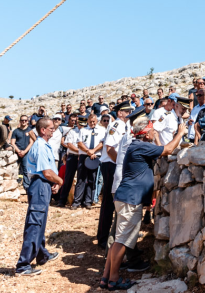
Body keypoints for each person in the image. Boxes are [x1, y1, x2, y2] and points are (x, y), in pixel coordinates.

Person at [100, 119, 188, 290]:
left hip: (125, 197)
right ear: (146, 133)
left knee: (119, 240)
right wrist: (181, 132)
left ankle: (106, 277)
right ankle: (113, 279)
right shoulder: (140, 146)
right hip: (130, 200)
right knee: (123, 241)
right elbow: (169, 149)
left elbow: (160, 147)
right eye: (152, 130)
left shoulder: (136, 145)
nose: (155, 132)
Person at [15, 117, 63, 276]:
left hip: (43, 185)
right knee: (35, 223)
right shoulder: (41, 146)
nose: (53, 130)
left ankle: (42, 255)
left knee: (40, 222)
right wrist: (60, 180)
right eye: (50, 128)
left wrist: (53, 181)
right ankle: (23, 265)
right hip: (40, 185)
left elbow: (49, 172)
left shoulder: (43, 145)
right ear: (43, 130)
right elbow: (46, 172)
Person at [96, 103, 133, 249]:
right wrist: (120, 164)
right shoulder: (116, 125)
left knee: (116, 201)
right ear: (120, 113)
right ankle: (103, 238)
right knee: (108, 203)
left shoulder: (124, 125)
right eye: (127, 111)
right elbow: (110, 148)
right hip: (111, 165)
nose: (129, 112)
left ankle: (114, 235)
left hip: (115, 164)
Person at [73, 114, 105, 209]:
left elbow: (102, 142)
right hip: (84, 156)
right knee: (81, 179)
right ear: (87, 121)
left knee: (92, 179)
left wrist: (93, 151)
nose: (92, 123)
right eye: (90, 122)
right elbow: (79, 143)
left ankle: (88, 201)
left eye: (94, 122)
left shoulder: (102, 130)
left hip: (95, 156)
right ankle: (77, 201)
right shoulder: (83, 130)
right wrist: (88, 151)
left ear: (97, 121)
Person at [57, 113, 84, 206]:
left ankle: (77, 201)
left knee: (81, 179)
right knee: (68, 178)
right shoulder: (72, 131)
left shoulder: (87, 131)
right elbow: (69, 144)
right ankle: (62, 200)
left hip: (83, 156)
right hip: (73, 156)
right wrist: (81, 151)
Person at [10, 115, 35, 192]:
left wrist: (24, 151)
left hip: (26, 153)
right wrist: (19, 151)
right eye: (22, 120)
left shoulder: (30, 131)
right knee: (14, 169)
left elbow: (31, 142)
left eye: (25, 120)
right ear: (20, 121)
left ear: (27, 121)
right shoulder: (16, 131)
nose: (24, 122)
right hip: (17, 153)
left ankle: (26, 186)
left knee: (25, 169)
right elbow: (12, 142)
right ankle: (14, 185)